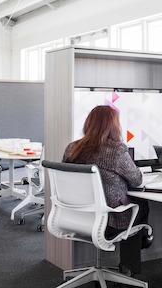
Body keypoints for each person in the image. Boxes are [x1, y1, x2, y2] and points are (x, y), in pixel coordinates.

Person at [62, 105, 153, 277]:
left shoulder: (72, 148)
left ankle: (137, 250)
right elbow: (137, 180)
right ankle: (131, 262)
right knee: (140, 204)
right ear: (114, 126)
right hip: (109, 223)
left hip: (77, 218)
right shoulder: (117, 151)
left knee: (134, 207)